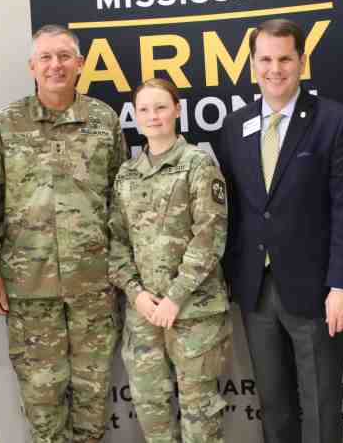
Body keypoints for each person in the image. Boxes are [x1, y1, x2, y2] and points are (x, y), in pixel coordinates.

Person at [217, 18, 343, 442]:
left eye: (285, 58)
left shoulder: (336, 121)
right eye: (265, 59)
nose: (275, 68)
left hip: (318, 291)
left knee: (321, 405)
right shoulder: (235, 125)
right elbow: (236, 210)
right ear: (252, 65)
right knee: (274, 405)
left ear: (301, 62)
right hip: (256, 290)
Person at [0, 25, 127, 443]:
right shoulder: (6, 125)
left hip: (94, 285)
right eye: (45, 57)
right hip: (29, 288)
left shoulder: (104, 121)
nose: (55, 65)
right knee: (42, 400)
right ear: (32, 66)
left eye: (64, 56)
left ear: (80, 64)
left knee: (92, 394)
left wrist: (120, 271)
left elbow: (122, 202)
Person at [108, 78, 231, 443]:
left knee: (200, 416)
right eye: (143, 109)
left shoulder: (198, 164)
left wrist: (175, 297)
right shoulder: (127, 174)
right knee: (151, 413)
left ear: (177, 110)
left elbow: (210, 237)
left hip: (192, 313)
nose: (153, 116)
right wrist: (136, 294)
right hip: (144, 315)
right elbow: (115, 241)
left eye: (161, 107)